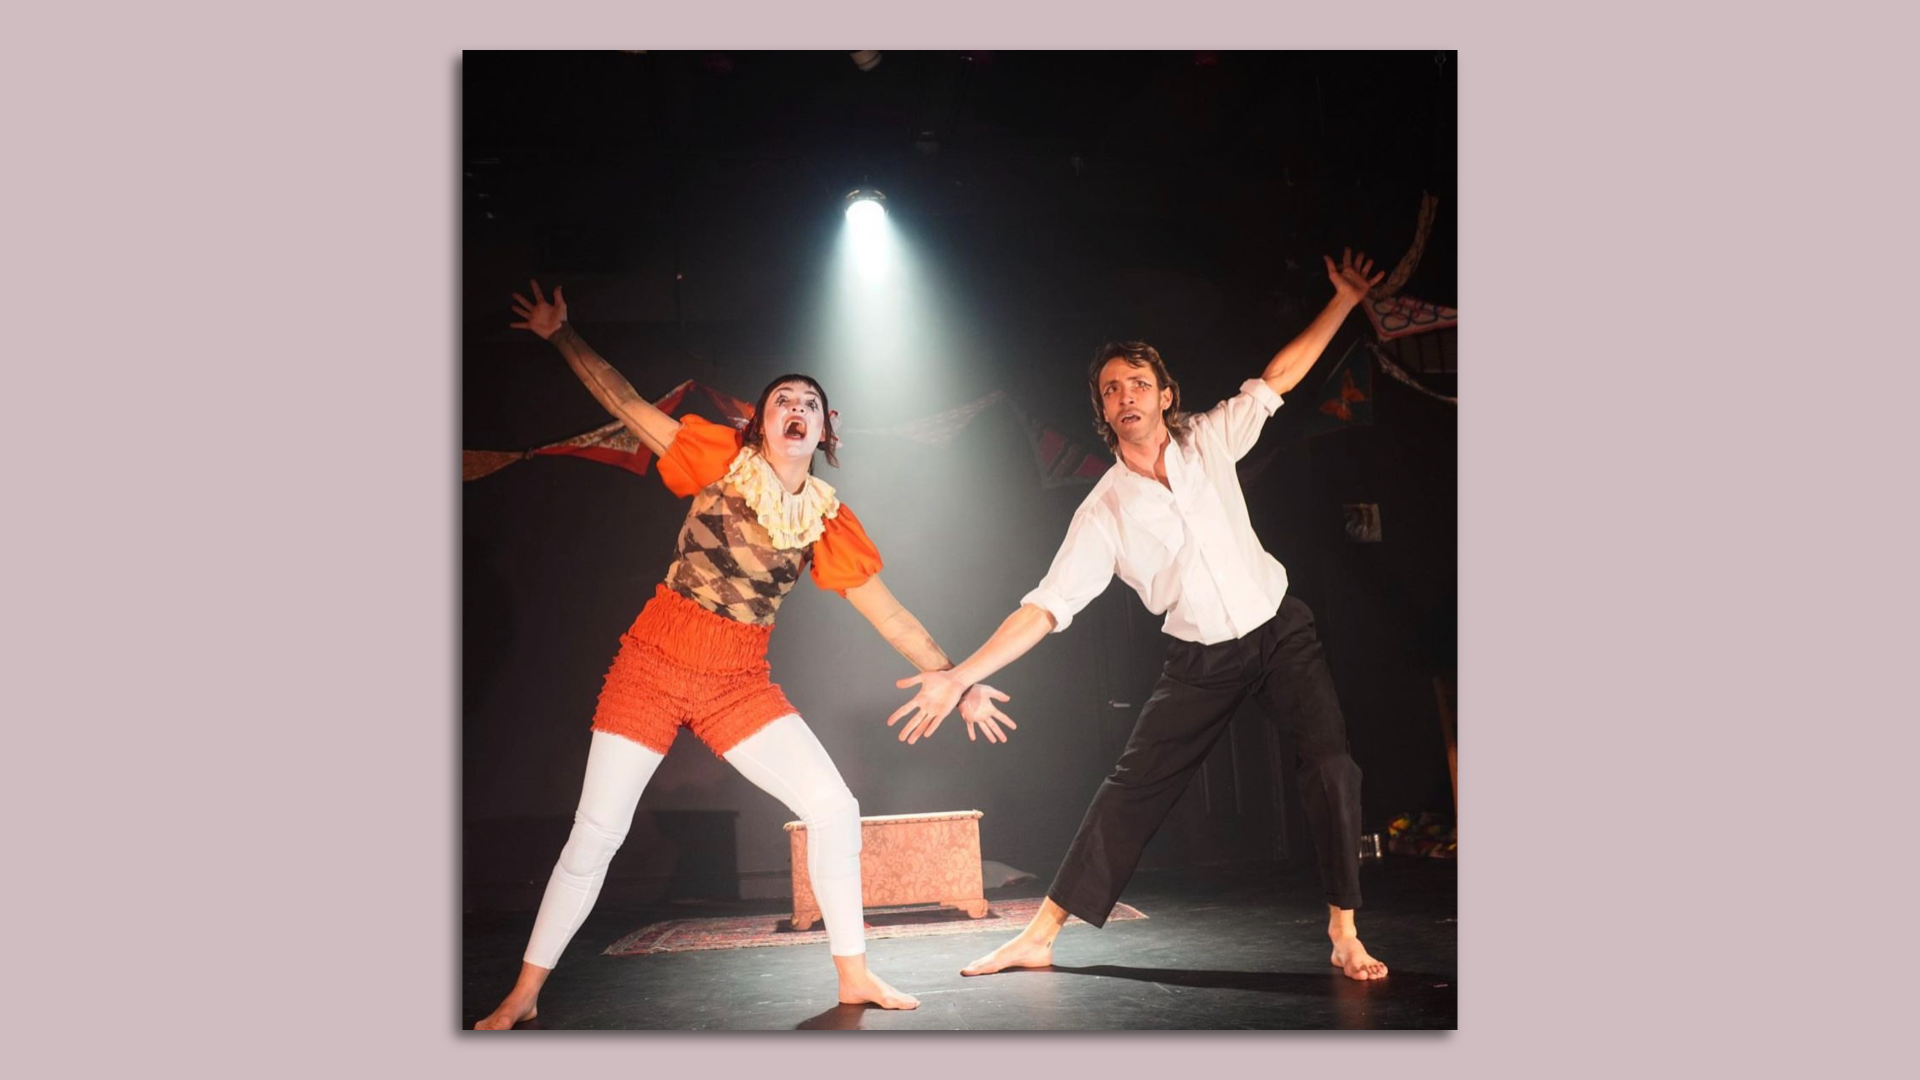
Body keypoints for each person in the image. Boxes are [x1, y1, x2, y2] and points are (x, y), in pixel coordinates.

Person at [474, 281, 1016, 1029]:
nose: (796, 407)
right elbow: (626, 405)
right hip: (654, 663)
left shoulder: (828, 519)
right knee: (596, 831)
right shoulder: (718, 457)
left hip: (737, 681)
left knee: (835, 808)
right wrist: (562, 335)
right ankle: (524, 993)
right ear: (760, 420)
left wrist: (959, 679)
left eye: (809, 402)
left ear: (827, 426)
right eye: (782, 399)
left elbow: (889, 614)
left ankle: (853, 976)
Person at [888, 250, 1391, 981]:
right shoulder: (1104, 512)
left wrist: (1344, 301)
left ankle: (1345, 931)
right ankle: (1042, 932)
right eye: (1112, 389)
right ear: (1103, 411)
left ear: (1164, 395)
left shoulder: (1210, 439)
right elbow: (1047, 606)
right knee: (1131, 789)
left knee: (1333, 765)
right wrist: (959, 674)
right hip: (1201, 660)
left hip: (1280, 629)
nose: (1126, 395)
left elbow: (1279, 377)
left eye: (1139, 383)